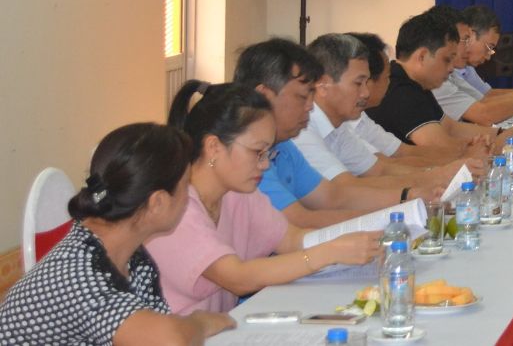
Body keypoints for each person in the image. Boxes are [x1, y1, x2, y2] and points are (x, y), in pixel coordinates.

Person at [146, 83, 380, 315]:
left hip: (222, 328)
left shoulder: (238, 193)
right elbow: (238, 277)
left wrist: (364, 236)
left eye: (268, 153)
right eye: (257, 152)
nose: (265, 164)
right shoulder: (177, 207)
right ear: (214, 147)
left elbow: (292, 240)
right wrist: (328, 253)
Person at [0, 123, 235, 345]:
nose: (188, 196)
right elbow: (168, 340)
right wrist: (199, 322)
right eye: (185, 186)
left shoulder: (132, 257)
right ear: (158, 202)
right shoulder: (77, 272)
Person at [234, 38, 432, 227]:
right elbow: (299, 223)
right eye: (301, 97)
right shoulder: (244, 154)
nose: (310, 106)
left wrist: (410, 197)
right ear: (264, 96)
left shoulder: (284, 145)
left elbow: (333, 197)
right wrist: (399, 214)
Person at [295, 34, 467, 185]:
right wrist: (440, 176)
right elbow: (345, 190)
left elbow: (380, 170)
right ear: (322, 85)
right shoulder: (302, 129)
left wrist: (443, 173)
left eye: (366, 82)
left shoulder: (339, 125)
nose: (365, 92)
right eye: (358, 83)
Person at [368, 11, 496, 150]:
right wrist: (489, 143)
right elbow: (440, 148)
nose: (451, 68)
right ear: (422, 56)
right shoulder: (400, 90)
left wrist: (499, 135)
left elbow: (451, 128)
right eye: (446, 60)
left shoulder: (417, 83)